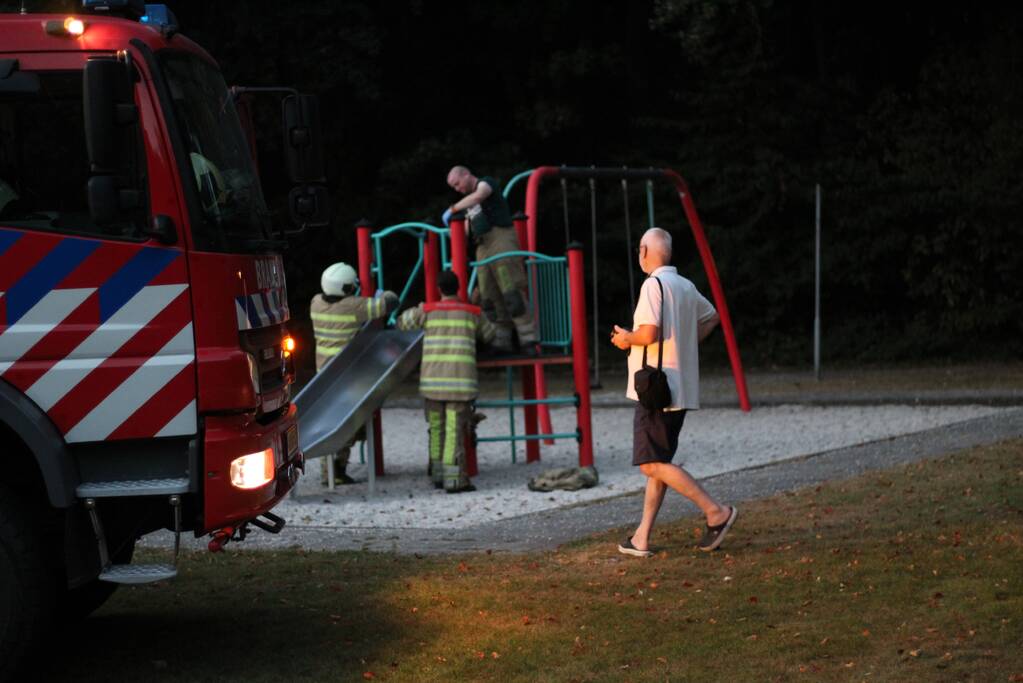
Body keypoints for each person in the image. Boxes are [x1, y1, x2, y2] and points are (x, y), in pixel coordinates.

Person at [610, 227, 737, 555]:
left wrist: (626, 338)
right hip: (679, 388)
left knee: (650, 464)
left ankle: (716, 512)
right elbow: (711, 319)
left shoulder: (653, 285)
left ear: (644, 251)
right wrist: (683, 345)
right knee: (659, 462)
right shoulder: (685, 285)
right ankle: (642, 537)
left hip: (655, 388)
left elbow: (648, 333)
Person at [397, 270, 495, 492]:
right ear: (458, 288)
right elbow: (491, 335)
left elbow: (402, 322)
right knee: (454, 431)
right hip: (460, 386)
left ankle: (437, 475)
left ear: (439, 289)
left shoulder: (428, 311)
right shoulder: (472, 312)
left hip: (432, 385)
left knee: (436, 428)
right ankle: (454, 480)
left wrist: (420, 307)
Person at [310, 261, 398, 485]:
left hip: (322, 374)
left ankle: (329, 472)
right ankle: (338, 468)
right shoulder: (353, 306)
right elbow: (390, 303)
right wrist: (381, 291)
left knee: (329, 423)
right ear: (347, 288)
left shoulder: (316, 303)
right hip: (346, 377)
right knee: (351, 422)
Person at [443, 165, 536, 355]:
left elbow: (478, 196)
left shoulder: (485, 184)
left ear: (466, 174)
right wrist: (453, 231)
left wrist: (452, 209)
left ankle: (529, 340)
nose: (457, 189)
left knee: (511, 290)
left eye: (457, 183)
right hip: (483, 245)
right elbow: (467, 230)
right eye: (454, 187)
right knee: (488, 295)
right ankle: (501, 340)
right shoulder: (470, 206)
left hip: (500, 240)